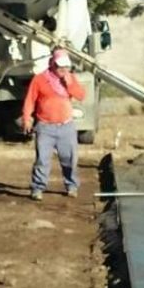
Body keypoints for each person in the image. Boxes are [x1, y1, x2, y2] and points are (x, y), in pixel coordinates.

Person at [22, 48, 86, 201]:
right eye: (60, 66)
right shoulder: (39, 79)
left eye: (66, 66)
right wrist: (27, 118)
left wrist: (69, 83)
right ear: (52, 64)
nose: (63, 69)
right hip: (45, 127)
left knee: (69, 158)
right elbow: (30, 100)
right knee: (42, 159)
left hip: (66, 126)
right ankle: (38, 188)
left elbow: (81, 95)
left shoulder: (70, 78)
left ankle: (71, 186)